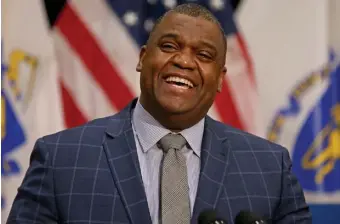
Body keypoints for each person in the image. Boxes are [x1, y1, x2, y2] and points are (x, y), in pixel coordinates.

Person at [7, 3, 312, 224]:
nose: (184, 61)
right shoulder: (61, 159)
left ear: (220, 78)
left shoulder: (269, 168)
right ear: (142, 58)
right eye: (169, 46)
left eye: (204, 55)